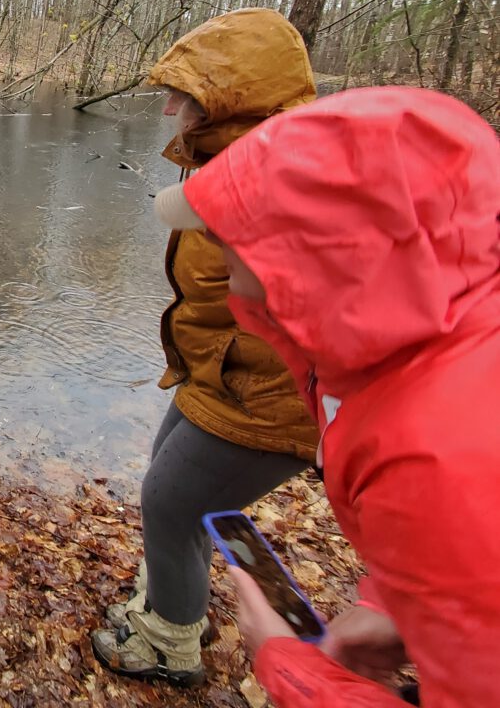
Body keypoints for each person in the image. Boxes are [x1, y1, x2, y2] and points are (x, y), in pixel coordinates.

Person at [154, 86, 500, 706]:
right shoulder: (406, 350)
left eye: (236, 228)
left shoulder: (434, 461)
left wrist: (289, 667)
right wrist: (403, 609)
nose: (214, 240)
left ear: (320, 253)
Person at [91, 8, 320, 685]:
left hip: (266, 396)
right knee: (170, 485)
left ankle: (169, 645)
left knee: (170, 500)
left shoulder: (286, 183)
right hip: (217, 372)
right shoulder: (229, 158)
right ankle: (170, 590)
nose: (167, 110)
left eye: (183, 98)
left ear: (230, 103)